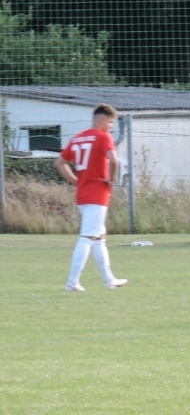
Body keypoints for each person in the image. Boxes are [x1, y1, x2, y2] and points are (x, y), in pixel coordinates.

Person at [56, 104, 128, 291]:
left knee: (99, 238)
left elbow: (60, 162)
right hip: (97, 193)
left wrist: (75, 180)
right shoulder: (103, 137)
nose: (111, 126)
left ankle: (109, 279)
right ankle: (72, 282)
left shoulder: (78, 137)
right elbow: (114, 160)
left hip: (83, 194)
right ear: (101, 120)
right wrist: (111, 180)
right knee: (87, 237)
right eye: (110, 122)